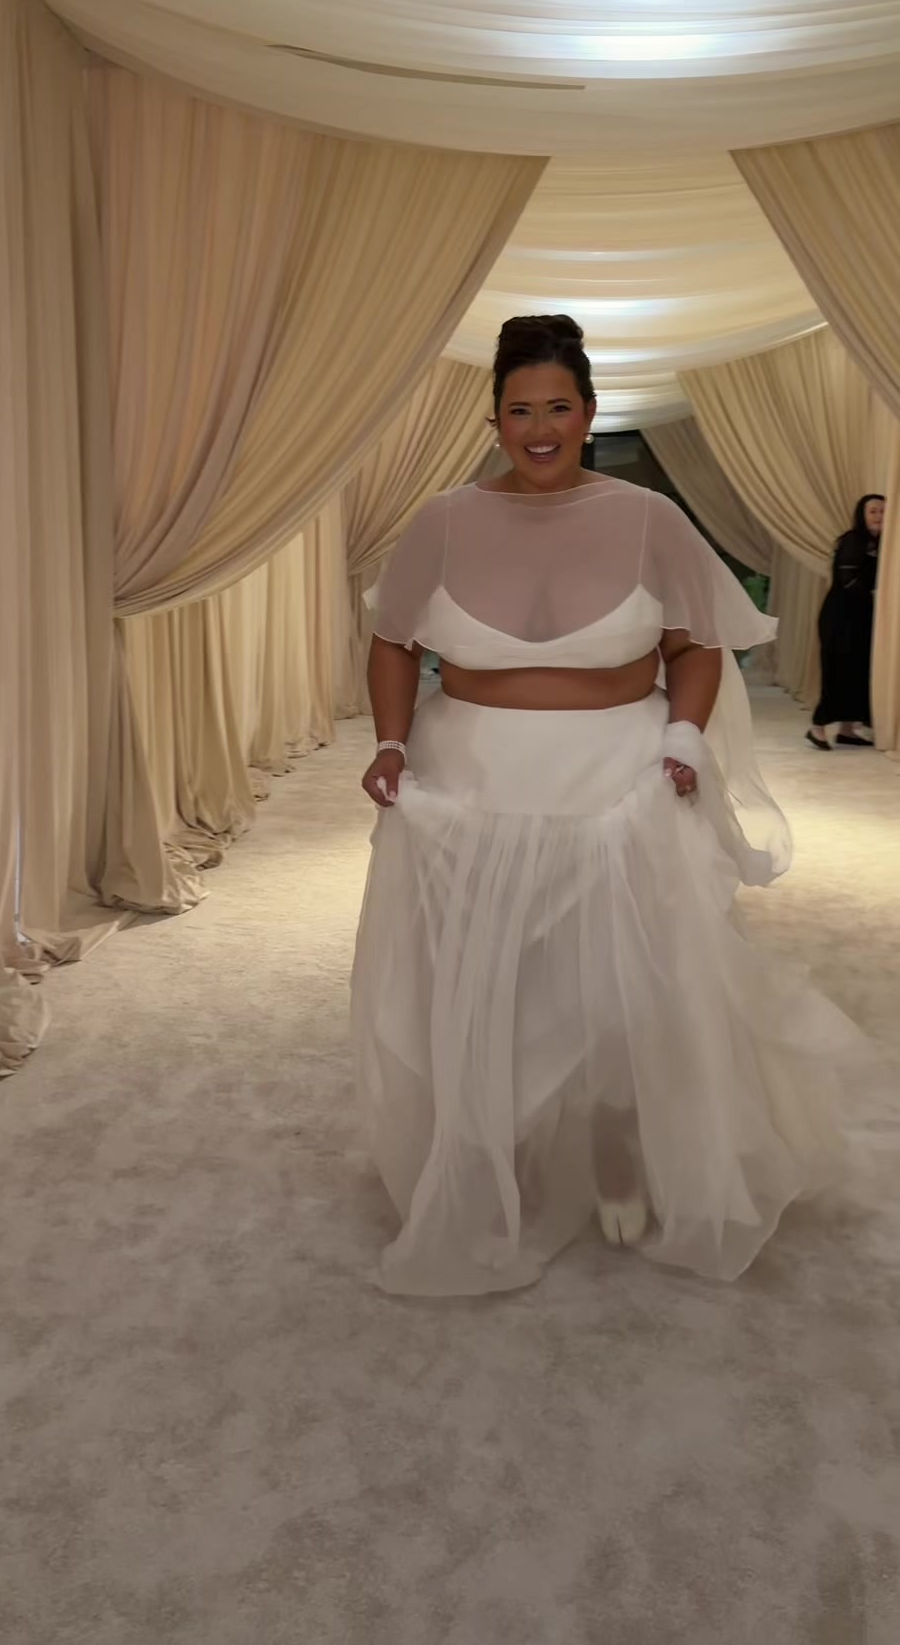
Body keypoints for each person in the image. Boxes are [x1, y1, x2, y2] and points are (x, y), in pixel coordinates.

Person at [350, 313, 868, 1297]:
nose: (539, 428)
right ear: (494, 421)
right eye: (519, 411)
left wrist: (682, 739)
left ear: (588, 414)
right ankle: (499, 1150)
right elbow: (392, 642)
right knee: (492, 980)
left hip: (619, 778)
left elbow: (697, 645)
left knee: (627, 984)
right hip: (470, 783)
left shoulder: (650, 520)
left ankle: (624, 1146)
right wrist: (388, 742)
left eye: (558, 408)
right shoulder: (442, 521)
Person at [808, 494, 886, 751]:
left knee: (858, 670)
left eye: (883, 511)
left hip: (861, 615)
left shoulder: (882, 543)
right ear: (862, 515)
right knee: (837, 670)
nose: (879, 516)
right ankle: (817, 727)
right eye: (873, 511)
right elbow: (849, 581)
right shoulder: (853, 540)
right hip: (840, 617)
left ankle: (847, 730)